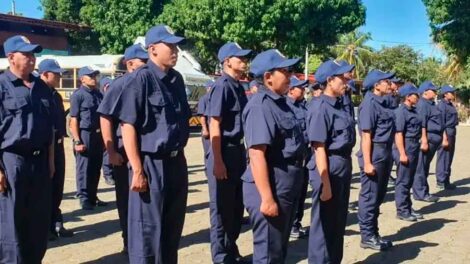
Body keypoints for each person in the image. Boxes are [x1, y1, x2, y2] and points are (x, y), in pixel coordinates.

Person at [115, 25, 191, 263]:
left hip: (176, 161)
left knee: (171, 230)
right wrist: (137, 170)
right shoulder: (141, 79)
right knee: (147, 233)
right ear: (153, 49)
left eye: (176, 45)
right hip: (151, 164)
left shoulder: (176, 79)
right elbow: (128, 126)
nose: (175, 50)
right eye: (170, 45)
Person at [242, 49, 305, 263]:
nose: (291, 76)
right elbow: (257, 154)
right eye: (285, 71)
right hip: (271, 186)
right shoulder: (260, 106)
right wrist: (267, 199)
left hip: (285, 183)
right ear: (268, 77)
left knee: (278, 251)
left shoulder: (281, 103)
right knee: (269, 254)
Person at [0, 35, 54, 263]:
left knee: (38, 226)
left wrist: (51, 162)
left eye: (34, 54)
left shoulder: (41, 87)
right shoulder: (2, 87)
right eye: (27, 54)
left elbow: (50, 127)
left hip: (40, 164)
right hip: (13, 163)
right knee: (12, 228)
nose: (33, 59)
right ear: (11, 57)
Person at [97, 43, 148, 254]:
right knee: (127, 201)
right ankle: (129, 242)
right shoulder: (121, 84)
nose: (146, 65)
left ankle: (144, 242)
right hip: (124, 152)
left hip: (145, 151)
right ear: (130, 64)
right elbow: (105, 117)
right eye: (142, 62)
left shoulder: (150, 82)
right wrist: (111, 152)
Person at [207, 42, 251, 264]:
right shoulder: (222, 86)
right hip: (223, 150)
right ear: (227, 62)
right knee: (222, 210)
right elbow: (215, 124)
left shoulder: (238, 86)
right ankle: (222, 257)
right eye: (239, 58)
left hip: (237, 151)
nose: (243, 61)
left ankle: (231, 250)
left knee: (236, 207)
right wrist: (217, 160)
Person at [307, 60, 355, 263]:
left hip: (342, 165)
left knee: (337, 223)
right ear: (329, 80)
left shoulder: (340, 105)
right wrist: (325, 184)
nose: (347, 80)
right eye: (343, 77)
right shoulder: (320, 108)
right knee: (324, 226)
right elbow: (319, 148)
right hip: (328, 166)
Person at [357, 69, 395, 251]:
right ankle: (367, 236)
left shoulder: (384, 102)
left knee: (379, 196)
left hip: (385, 151)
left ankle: (374, 232)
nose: (389, 84)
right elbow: (366, 135)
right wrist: (367, 162)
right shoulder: (369, 104)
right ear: (376, 85)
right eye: (386, 81)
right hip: (374, 152)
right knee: (370, 197)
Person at [38, 59, 74, 239]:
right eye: (56, 74)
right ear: (45, 74)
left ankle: (56, 223)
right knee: (45, 189)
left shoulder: (55, 95)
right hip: (45, 149)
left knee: (58, 186)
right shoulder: (37, 94)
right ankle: (44, 227)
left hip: (58, 146)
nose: (60, 77)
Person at [70, 66, 107, 210]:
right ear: (82, 79)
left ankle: (92, 196)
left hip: (98, 135)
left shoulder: (98, 94)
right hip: (85, 134)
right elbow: (74, 119)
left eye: (95, 75)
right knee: (84, 167)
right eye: (90, 76)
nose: (94, 78)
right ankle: (84, 197)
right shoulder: (78, 95)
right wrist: (77, 140)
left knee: (95, 167)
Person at [392, 83, 424, 222]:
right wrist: (402, 154)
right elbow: (398, 134)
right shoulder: (401, 112)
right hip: (405, 146)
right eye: (415, 95)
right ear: (407, 97)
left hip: (413, 145)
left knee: (410, 179)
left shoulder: (413, 110)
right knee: (403, 180)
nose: (417, 97)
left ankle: (408, 207)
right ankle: (402, 210)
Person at [285, 76, 310, 239]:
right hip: (292, 156)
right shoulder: (286, 107)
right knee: (291, 193)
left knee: (301, 191)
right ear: (291, 89)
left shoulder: (304, 106)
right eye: (300, 87)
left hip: (305, 155)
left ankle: (296, 223)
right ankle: (290, 224)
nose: (304, 90)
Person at [412, 81, 442, 203]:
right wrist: (424, 139)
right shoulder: (422, 105)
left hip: (434, 140)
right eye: (433, 90)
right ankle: (420, 193)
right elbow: (422, 124)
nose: (435, 92)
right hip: (428, 139)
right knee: (421, 167)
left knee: (425, 166)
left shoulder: (431, 104)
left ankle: (422, 191)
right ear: (425, 92)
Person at [436, 85, 458, 190]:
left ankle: (446, 179)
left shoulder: (450, 104)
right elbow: (441, 124)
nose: (453, 94)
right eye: (451, 92)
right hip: (446, 133)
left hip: (452, 132)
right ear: (445, 94)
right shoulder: (442, 106)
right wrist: (444, 138)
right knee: (443, 157)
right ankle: (441, 181)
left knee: (449, 157)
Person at [99, 77, 116, 186]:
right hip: (103, 131)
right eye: (107, 87)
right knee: (106, 152)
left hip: (114, 129)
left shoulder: (115, 98)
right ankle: (107, 174)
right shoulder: (100, 98)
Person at [197, 80, 214, 160]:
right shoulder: (203, 99)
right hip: (208, 130)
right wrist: (205, 129)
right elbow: (202, 116)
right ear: (207, 88)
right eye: (210, 87)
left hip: (215, 129)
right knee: (208, 152)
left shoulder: (216, 98)